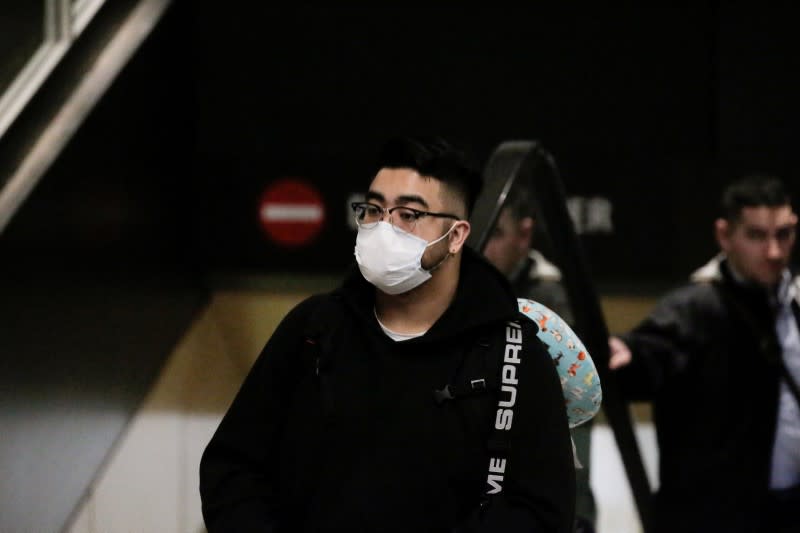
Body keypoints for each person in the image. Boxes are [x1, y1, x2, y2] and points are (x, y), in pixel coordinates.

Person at [199, 136, 576, 532]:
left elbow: (543, 512)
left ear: (457, 236)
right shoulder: (314, 329)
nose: (384, 227)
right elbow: (233, 467)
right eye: (374, 210)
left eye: (409, 214)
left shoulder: (512, 354)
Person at [607, 174, 799, 532]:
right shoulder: (694, 310)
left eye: (783, 234)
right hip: (713, 518)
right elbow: (649, 355)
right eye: (756, 236)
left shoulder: (794, 303)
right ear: (725, 235)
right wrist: (626, 355)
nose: (774, 252)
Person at [483, 179, 597, 533]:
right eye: (478, 231)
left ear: (525, 233)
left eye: (496, 233)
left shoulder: (551, 304)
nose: (481, 246)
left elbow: (569, 431)